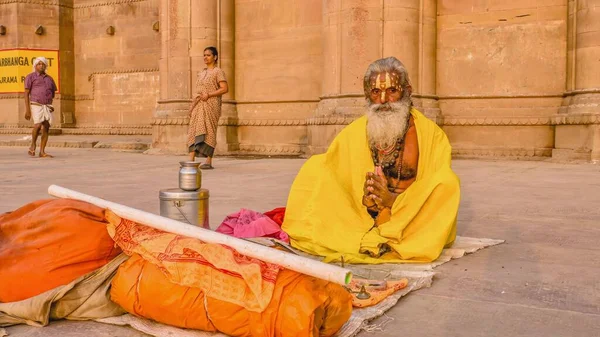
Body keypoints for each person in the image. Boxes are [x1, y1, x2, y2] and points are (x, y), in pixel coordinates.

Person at [281, 57, 460, 264]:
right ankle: (368, 233)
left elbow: (434, 185)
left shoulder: (430, 135)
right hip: (365, 215)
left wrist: (393, 201)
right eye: (376, 92)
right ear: (367, 95)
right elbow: (338, 171)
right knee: (315, 168)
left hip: (411, 218)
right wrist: (364, 199)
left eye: (392, 90)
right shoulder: (355, 132)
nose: (383, 100)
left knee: (448, 183)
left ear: (407, 91)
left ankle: (394, 236)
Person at [187, 47, 229, 169]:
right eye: (204, 55)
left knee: (209, 131)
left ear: (215, 57)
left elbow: (224, 89)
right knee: (193, 130)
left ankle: (208, 161)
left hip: (211, 104)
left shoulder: (218, 71)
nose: (205, 57)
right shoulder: (201, 72)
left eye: (208, 55)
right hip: (199, 103)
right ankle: (191, 160)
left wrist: (209, 94)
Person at [24, 57, 57, 158]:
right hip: (36, 104)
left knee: (46, 127)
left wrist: (50, 104)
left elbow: (53, 93)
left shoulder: (50, 78)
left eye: (43, 64)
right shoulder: (30, 77)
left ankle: (42, 151)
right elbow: (26, 94)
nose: (41, 66)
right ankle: (33, 144)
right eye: (39, 64)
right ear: (35, 66)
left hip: (47, 106)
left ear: (46, 66)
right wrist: (27, 110)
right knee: (37, 125)